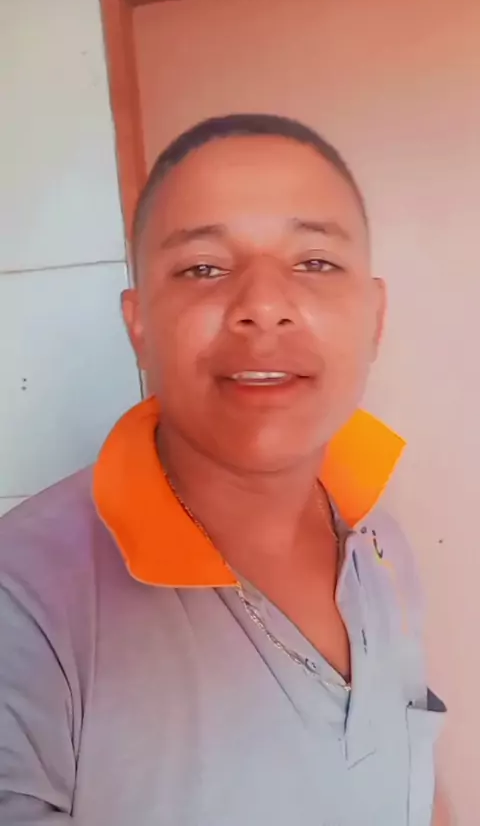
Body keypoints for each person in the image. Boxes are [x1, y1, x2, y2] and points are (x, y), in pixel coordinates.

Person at [0, 114, 448, 825]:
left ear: (374, 315)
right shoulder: (25, 599)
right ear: (138, 323)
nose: (263, 306)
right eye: (203, 268)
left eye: (314, 263)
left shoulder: (382, 544)